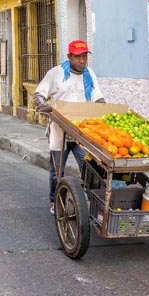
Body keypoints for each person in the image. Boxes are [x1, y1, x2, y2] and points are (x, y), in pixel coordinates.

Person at [33, 40, 105, 215]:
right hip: (60, 130)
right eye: (78, 57)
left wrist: (103, 108)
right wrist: (42, 105)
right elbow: (39, 94)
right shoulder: (56, 73)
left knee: (90, 169)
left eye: (84, 57)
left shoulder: (90, 74)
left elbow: (98, 97)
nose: (81, 61)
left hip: (82, 131)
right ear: (69, 56)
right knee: (57, 170)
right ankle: (55, 201)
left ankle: (94, 203)